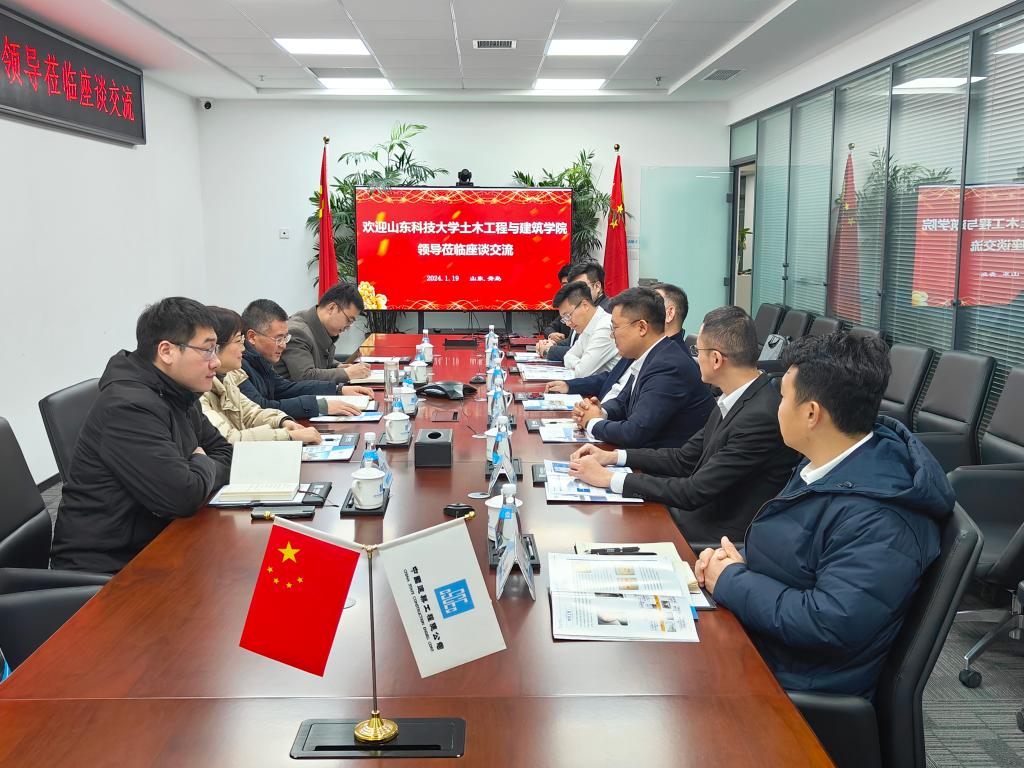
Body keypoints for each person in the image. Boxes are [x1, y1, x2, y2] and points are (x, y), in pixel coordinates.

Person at [695, 332, 953, 698]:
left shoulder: (881, 517)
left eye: (783, 398)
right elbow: (801, 557)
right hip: (769, 646)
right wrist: (737, 563)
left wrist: (732, 580)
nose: (776, 408)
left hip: (797, 684)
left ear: (812, 413)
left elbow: (828, 623)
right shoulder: (828, 464)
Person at [568, 306, 798, 544]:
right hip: (691, 516)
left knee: (604, 532)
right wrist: (613, 457)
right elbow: (683, 458)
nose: (695, 358)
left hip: (714, 537)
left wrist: (608, 479)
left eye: (697, 351)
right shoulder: (735, 397)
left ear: (716, 359)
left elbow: (693, 491)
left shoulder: (758, 417)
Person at [50, 298, 234, 573]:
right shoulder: (128, 407)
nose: (216, 362)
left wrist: (196, 466)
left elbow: (226, 453)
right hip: (108, 567)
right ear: (167, 351)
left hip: (159, 539)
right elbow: (183, 495)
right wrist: (201, 460)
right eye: (207, 350)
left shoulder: (181, 392)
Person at [571, 287, 714, 449]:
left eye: (615, 328)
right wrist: (600, 411)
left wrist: (591, 422)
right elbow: (623, 402)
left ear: (642, 328)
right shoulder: (652, 355)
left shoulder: (668, 366)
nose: (612, 335)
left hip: (666, 460)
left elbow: (634, 432)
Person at [546, 282, 690, 402]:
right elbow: (612, 378)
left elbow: (638, 418)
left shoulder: (671, 363)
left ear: (669, 313)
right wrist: (570, 386)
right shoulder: (643, 347)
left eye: (655, 304)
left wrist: (598, 417)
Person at [201, 306, 323, 444]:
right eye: (238, 341)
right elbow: (228, 439)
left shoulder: (227, 377)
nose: (243, 348)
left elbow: (251, 413)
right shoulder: (198, 390)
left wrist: (281, 421)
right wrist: (287, 435)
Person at [238, 299, 373, 421]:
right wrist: (320, 405)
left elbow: (285, 388)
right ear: (252, 337)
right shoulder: (238, 366)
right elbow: (262, 408)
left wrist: (338, 390)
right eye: (278, 339)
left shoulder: (260, 359)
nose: (283, 345)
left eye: (285, 338)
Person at [276, 282, 371, 384]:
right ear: (332, 308)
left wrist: (338, 366)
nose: (348, 327)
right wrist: (346, 373)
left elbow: (314, 358)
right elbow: (305, 376)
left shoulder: (313, 320)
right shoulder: (297, 332)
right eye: (349, 320)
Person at [539, 262, 610, 362]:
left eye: (581, 287)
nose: (576, 293)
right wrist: (551, 344)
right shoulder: (578, 307)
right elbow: (573, 343)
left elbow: (585, 354)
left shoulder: (607, 312)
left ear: (597, 286)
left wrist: (549, 350)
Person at [546, 281, 618, 378]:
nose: (568, 323)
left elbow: (581, 372)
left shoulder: (605, 328)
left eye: (568, 316)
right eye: (564, 319)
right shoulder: (588, 326)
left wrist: (579, 364)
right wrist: (579, 363)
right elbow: (568, 356)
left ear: (585, 305)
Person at [541, 263, 574, 341]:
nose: (568, 288)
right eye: (564, 285)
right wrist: (552, 335)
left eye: (571, 284)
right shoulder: (567, 308)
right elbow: (550, 328)